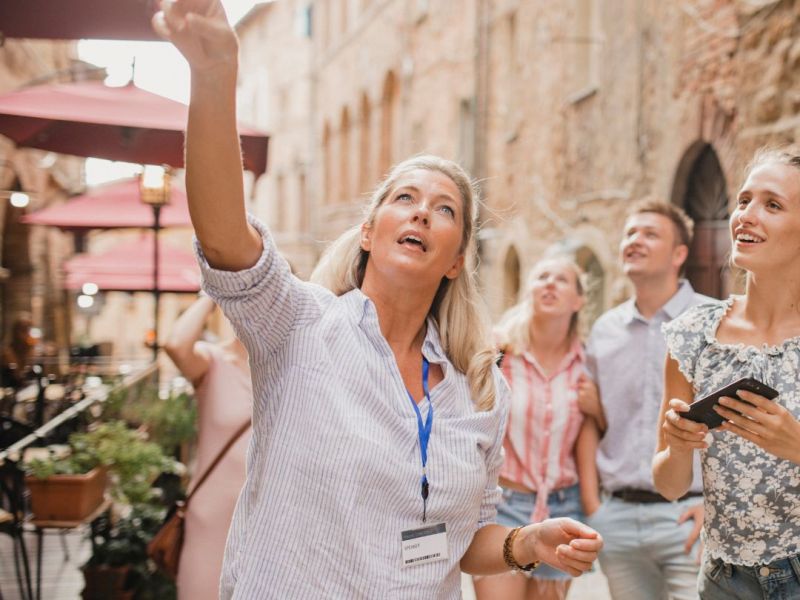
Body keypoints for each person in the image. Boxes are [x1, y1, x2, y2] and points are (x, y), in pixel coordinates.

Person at [152, 2, 603, 597]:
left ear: (456, 260)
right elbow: (225, 236)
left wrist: (526, 543)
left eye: (445, 209)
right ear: (368, 232)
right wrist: (214, 73)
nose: (422, 211)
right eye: (405, 198)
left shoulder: (479, 390)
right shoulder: (299, 325)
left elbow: (462, 540)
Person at [653, 147, 800, 599]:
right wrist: (678, 447)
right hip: (723, 580)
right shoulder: (694, 334)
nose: (746, 216)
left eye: (772, 205)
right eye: (744, 200)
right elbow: (669, 485)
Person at [581, 199, 712, 600]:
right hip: (618, 520)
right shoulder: (604, 330)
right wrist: (596, 509)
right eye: (630, 233)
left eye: (650, 234)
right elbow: (591, 421)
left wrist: (717, 507)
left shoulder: (715, 322)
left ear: (679, 254)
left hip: (691, 518)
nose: (635, 241)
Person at [474, 257, 596, 600]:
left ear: (579, 300)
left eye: (561, 279)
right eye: (542, 276)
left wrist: (598, 409)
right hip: (503, 505)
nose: (550, 283)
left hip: (563, 507)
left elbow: (591, 437)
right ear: (529, 290)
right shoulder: (498, 352)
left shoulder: (587, 363)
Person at [163, 293, 252, 600]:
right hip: (212, 522)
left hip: (269, 523)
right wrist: (213, 291)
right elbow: (176, 344)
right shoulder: (213, 361)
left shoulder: (292, 370)